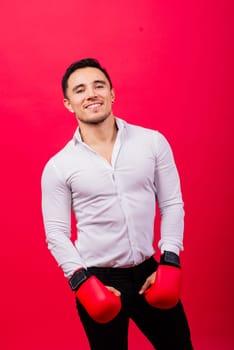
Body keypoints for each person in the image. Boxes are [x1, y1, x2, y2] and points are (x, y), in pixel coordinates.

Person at [41, 58, 193, 350]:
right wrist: (80, 280)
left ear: (112, 93)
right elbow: (56, 233)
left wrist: (171, 259)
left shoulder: (152, 142)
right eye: (80, 90)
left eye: (99, 86)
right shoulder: (59, 166)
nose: (91, 94)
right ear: (69, 103)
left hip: (150, 272)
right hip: (98, 280)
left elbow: (172, 203)